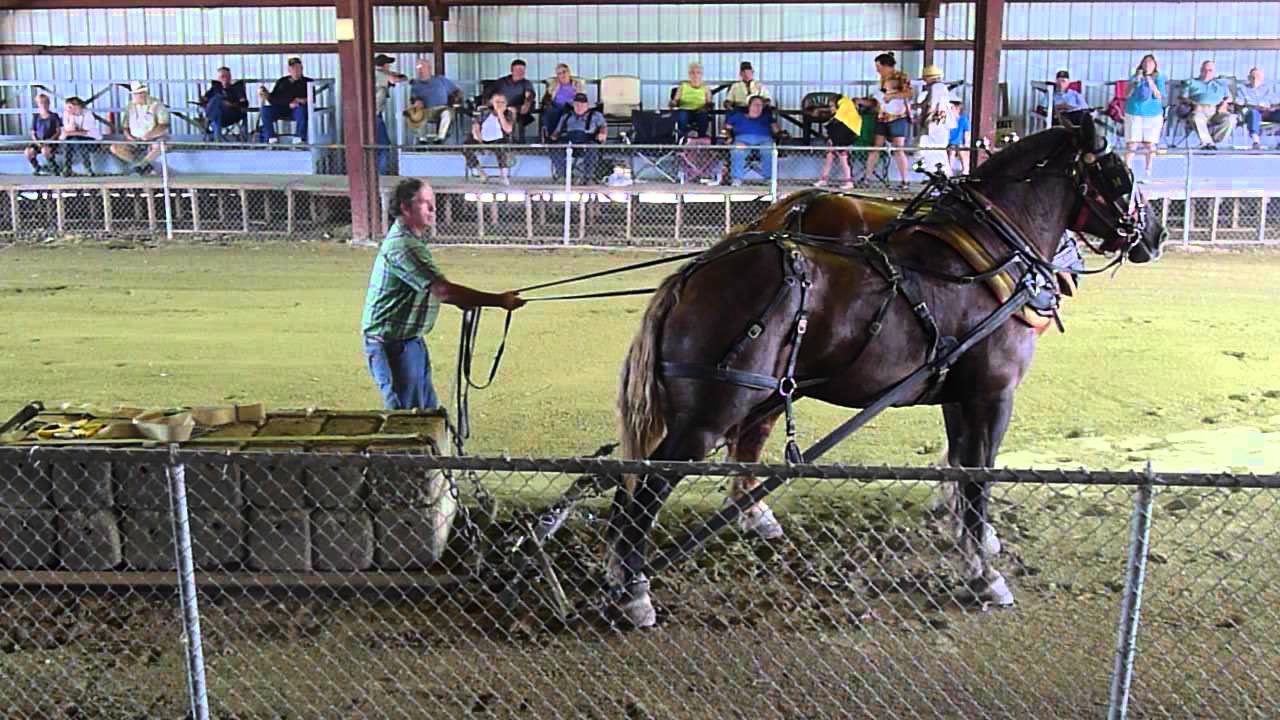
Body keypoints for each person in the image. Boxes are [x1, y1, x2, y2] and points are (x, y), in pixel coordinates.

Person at [361, 178, 526, 411]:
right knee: (407, 417)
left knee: (426, 411)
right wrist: (498, 300)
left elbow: (436, 289)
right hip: (390, 344)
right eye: (425, 203)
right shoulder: (403, 246)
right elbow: (443, 290)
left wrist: (465, 300)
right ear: (405, 208)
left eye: (432, 202)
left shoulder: (411, 242)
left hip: (410, 340)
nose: (432, 208)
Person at [863, 70, 912, 190]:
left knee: (898, 149)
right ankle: (867, 177)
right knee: (876, 148)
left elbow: (908, 95)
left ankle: (905, 180)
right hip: (883, 120)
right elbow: (874, 102)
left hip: (897, 120)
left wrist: (891, 96)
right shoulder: (880, 93)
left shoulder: (903, 94)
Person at [109, 81, 170, 175]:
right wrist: (129, 137)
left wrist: (149, 136)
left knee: (160, 146)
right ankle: (143, 166)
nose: (135, 97)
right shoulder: (130, 106)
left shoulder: (157, 105)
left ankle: (142, 165)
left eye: (137, 94)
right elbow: (125, 127)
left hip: (153, 138)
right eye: (134, 94)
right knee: (115, 147)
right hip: (134, 140)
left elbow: (164, 125)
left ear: (143, 94)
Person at [1123, 54, 1165, 177]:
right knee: (1132, 142)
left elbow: (1159, 95)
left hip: (1152, 114)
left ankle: (1147, 171)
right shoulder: (1134, 77)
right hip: (1135, 112)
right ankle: (1128, 171)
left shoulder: (1159, 78)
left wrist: (1151, 82)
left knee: (1149, 143)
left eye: (1150, 63)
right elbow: (1126, 94)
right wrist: (1135, 82)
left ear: (1155, 66)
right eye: (1145, 63)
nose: (1147, 66)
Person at [550, 92, 607, 181]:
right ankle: (564, 176)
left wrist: (602, 134)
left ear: (587, 105)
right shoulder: (566, 116)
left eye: (582, 105)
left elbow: (603, 127)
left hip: (587, 141)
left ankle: (588, 177)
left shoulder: (596, 115)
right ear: (573, 105)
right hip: (569, 141)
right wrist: (553, 137)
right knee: (554, 149)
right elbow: (557, 131)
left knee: (593, 148)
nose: (579, 107)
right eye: (577, 104)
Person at [723, 95, 779, 186]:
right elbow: (727, 128)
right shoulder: (738, 116)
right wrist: (728, 137)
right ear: (749, 106)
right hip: (743, 140)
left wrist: (780, 133)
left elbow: (776, 130)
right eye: (755, 105)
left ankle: (769, 178)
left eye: (760, 105)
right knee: (738, 151)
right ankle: (737, 178)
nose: (758, 107)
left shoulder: (766, 117)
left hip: (764, 140)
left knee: (769, 151)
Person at [406, 58, 462, 144]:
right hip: (425, 110)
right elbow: (413, 99)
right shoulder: (416, 85)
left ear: (429, 68)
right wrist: (416, 102)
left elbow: (456, 91)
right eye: (419, 69)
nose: (420, 71)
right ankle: (422, 140)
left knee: (447, 114)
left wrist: (456, 99)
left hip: (442, 109)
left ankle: (440, 139)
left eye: (423, 68)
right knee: (415, 113)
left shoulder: (441, 80)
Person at [464, 92, 515, 185]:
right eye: (497, 102)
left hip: (498, 140)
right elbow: (475, 127)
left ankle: (504, 176)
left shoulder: (508, 113)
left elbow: (508, 130)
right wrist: (480, 143)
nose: (499, 104)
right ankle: (481, 173)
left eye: (502, 102)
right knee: (466, 147)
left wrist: (500, 114)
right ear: (492, 103)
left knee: (502, 148)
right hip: (482, 138)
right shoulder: (483, 112)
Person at [1183, 60, 1235, 149]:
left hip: (1217, 110)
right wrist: (1193, 104)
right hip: (1199, 109)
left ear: (1214, 72)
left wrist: (1224, 103)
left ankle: (1213, 141)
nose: (1207, 72)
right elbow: (1182, 97)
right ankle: (1208, 143)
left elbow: (1229, 98)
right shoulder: (1191, 82)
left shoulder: (1220, 84)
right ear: (1200, 70)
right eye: (1205, 70)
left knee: (1231, 118)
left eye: (1210, 70)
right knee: (1196, 117)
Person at [257, 57, 311, 143]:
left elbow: (312, 99)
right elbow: (273, 99)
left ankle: (299, 138)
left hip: (297, 109)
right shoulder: (282, 81)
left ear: (302, 69)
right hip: (281, 108)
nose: (296, 70)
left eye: (298, 68)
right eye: (293, 68)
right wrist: (266, 95)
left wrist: (300, 100)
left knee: (302, 110)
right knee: (265, 110)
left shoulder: (308, 82)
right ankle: (270, 137)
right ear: (289, 70)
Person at [815, 93, 862, 189]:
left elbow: (835, 121)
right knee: (829, 156)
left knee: (843, 158)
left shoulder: (844, 108)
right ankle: (823, 179)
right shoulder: (845, 108)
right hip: (839, 135)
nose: (831, 109)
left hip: (844, 135)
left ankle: (849, 181)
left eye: (832, 106)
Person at [915, 65, 955, 176]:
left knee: (931, 150)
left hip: (935, 125)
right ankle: (939, 174)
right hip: (940, 126)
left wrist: (923, 120)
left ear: (929, 77)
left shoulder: (936, 87)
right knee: (936, 151)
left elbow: (931, 106)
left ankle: (939, 174)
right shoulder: (941, 87)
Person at [374, 54, 408, 174]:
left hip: (374, 116)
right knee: (383, 145)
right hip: (374, 116)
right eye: (388, 64)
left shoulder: (377, 73)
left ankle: (378, 173)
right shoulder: (380, 74)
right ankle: (381, 174)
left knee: (379, 145)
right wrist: (399, 76)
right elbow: (396, 79)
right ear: (385, 65)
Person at [492, 59, 536, 142]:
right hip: (500, 107)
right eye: (518, 70)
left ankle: (514, 142)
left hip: (517, 108)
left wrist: (527, 103)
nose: (520, 72)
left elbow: (530, 96)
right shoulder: (501, 82)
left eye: (522, 70)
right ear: (511, 70)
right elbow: (490, 94)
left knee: (512, 112)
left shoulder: (526, 83)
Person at [201, 66, 248, 141]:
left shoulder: (237, 88)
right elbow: (203, 101)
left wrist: (231, 104)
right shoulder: (214, 89)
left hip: (231, 115)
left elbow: (245, 104)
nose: (225, 78)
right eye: (222, 76)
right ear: (218, 78)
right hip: (216, 115)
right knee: (216, 101)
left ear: (230, 77)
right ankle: (217, 139)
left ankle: (217, 139)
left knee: (216, 100)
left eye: (227, 76)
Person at [59, 96, 103, 176]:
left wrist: (69, 133)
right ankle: (67, 168)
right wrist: (71, 118)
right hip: (74, 139)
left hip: (92, 140)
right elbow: (68, 129)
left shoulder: (87, 114)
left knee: (78, 140)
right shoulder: (67, 114)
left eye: (69, 107)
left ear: (76, 106)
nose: (67, 109)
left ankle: (87, 167)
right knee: (69, 141)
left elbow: (85, 132)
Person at [1238, 67, 1280, 149]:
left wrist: (1272, 107)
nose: (1255, 79)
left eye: (1257, 77)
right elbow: (1239, 102)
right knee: (1254, 113)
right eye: (1252, 77)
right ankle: (1256, 141)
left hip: (1267, 112)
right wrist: (1254, 106)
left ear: (1261, 78)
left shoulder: (1268, 89)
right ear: (1248, 78)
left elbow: (1276, 102)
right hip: (1252, 112)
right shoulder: (1243, 89)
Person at [541, 63, 585, 141]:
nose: (562, 75)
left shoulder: (576, 84)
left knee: (566, 112)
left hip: (571, 106)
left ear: (569, 72)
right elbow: (546, 97)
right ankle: (548, 136)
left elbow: (582, 98)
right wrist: (548, 103)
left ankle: (555, 134)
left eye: (564, 72)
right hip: (556, 105)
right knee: (549, 112)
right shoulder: (554, 84)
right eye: (559, 73)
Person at [670, 62, 712, 137]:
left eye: (698, 73)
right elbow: (675, 100)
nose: (695, 75)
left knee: (703, 116)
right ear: (689, 74)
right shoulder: (683, 86)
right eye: (692, 73)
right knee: (682, 116)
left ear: (701, 74)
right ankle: (682, 138)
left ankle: (701, 138)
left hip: (700, 110)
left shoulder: (705, 87)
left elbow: (709, 102)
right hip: (685, 109)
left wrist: (706, 107)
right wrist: (673, 103)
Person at [25, 93, 61, 175]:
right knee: (28, 152)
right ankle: (37, 167)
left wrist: (50, 140)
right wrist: (37, 141)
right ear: (38, 104)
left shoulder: (54, 116)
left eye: (45, 102)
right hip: (38, 141)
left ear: (48, 104)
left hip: (51, 141)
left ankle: (54, 167)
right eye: (41, 103)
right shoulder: (36, 117)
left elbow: (58, 131)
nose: (43, 105)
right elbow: (33, 132)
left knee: (45, 150)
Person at [946, 98, 972, 175]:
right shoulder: (948, 120)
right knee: (951, 152)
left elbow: (966, 132)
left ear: (957, 109)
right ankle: (949, 170)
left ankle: (965, 169)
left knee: (963, 152)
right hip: (950, 142)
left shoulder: (963, 119)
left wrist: (967, 143)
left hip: (959, 141)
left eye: (952, 108)